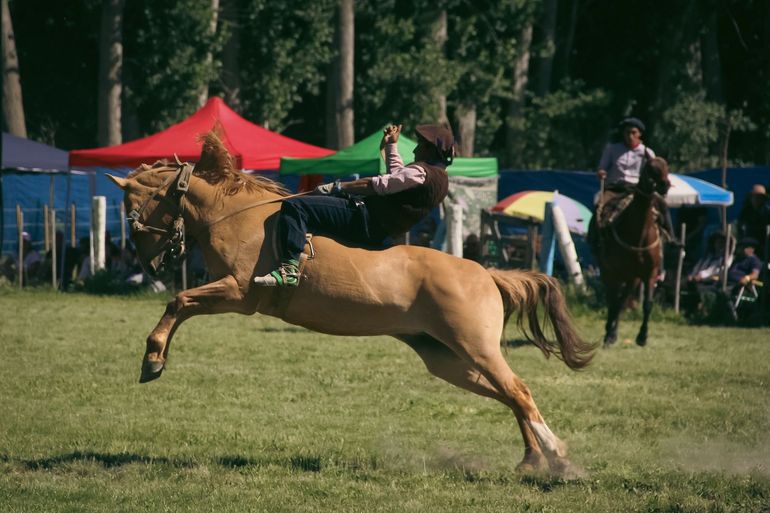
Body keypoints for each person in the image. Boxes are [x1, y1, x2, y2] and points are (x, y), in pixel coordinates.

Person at [253, 123, 455, 287]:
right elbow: (398, 176)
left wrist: (337, 186)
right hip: (382, 229)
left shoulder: (421, 172)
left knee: (296, 206)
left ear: (430, 149)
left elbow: (376, 185)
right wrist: (391, 145)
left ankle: (289, 269)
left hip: (365, 219)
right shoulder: (439, 179)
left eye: (420, 144)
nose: (415, 148)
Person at [587, 117, 676, 254]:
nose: (630, 136)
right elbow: (602, 167)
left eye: (633, 132)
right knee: (599, 206)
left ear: (639, 134)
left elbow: (655, 170)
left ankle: (671, 238)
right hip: (615, 189)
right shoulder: (612, 149)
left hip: (637, 190)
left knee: (662, 205)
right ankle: (594, 239)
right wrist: (601, 172)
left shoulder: (647, 153)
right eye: (627, 133)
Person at [737, 184, 770, 251]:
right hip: (748, 242)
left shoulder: (767, 212)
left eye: (759, 197)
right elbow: (739, 225)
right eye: (754, 197)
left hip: (763, 244)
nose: (756, 199)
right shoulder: (746, 211)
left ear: (763, 199)